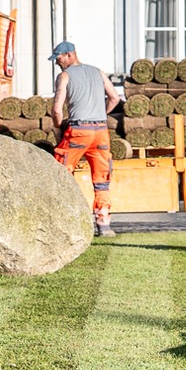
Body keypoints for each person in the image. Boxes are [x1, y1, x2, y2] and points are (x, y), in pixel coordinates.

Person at [48, 39, 124, 237]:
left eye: (58, 58)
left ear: (69, 55)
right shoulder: (98, 72)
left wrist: (58, 125)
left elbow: (57, 109)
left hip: (78, 131)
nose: (57, 62)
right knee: (102, 179)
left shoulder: (64, 76)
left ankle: (64, 220)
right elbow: (115, 98)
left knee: (61, 173)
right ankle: (104, 224)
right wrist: (100, 114)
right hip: (101, 132)